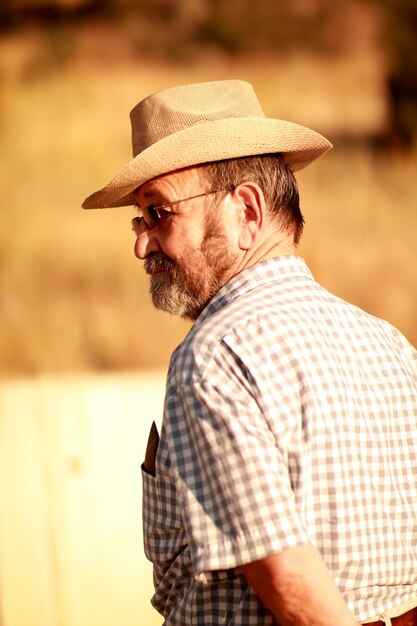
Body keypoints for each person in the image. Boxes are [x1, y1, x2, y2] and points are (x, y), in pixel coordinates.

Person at [82, 80, 417, 626]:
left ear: (246, 210)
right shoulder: (392, 346)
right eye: (139, 219)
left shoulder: (212, 357)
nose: (141, 244)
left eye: (159, 213)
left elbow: (288, 582)